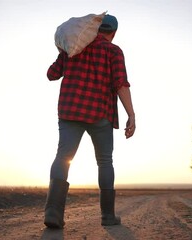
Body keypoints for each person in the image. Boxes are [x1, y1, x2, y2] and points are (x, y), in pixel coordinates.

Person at [44, 14, 135, 228]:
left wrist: (62, 53)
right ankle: (107, 217)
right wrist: (131, 114)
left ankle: (53, 213)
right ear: (112, 32)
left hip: (70, 111)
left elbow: (51, 74)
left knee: (62, 156)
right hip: (100, 114)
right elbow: (121, 84)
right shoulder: (113, 50)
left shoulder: (75, 45)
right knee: (104, 161)